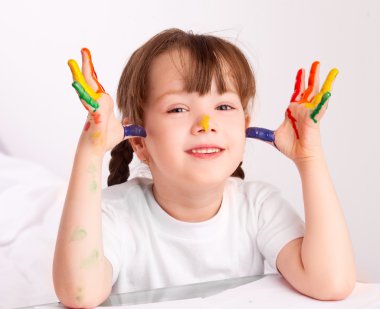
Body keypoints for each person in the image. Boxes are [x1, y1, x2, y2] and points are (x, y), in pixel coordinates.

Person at [53, 28, 356, 308]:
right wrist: (90, 153)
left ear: (244, 127)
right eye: (178, 109)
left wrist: (309, 159)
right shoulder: (114, 213)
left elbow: (330, 283)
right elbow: (81, 293)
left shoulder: (258, 206)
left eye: (223, 107)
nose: (205, 124)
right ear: (139, 141)